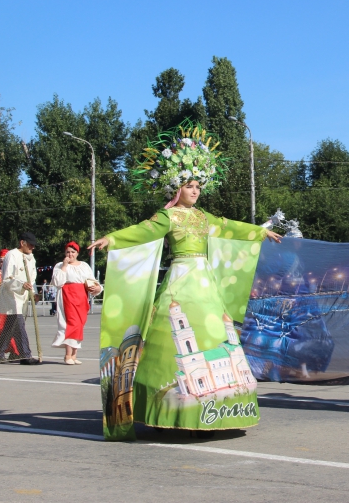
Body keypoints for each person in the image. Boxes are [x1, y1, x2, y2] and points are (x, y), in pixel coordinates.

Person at [88, 120, 282, 441]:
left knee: (214, 334)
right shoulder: (168, 216)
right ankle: (167, 410)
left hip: (205, 285)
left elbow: (229, 226)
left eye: (199, 186)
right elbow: (144, 231)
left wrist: (259, 232)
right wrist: (114, 239)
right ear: (177, 187)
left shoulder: (204, 217)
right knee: (171, 340)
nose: (196, 191)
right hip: (179, 280)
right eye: (190, 185)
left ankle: (212, 411)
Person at [0, 232, 41, 365]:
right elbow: (7, 279)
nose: (32, 248)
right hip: (12, 297)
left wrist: (34, 292)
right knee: (19, 325)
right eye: (30, 245)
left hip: (23, 297)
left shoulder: (31, 258)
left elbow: (32, 278)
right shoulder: (12, 255)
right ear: (22, 243)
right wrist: (21, 285)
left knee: (10, 327)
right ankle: (26, 355)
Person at [51, 241, 102, 364]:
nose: (70, 254)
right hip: (67, 296)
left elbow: (92, 281)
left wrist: (98, 288)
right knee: (71, 324)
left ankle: (74, 355)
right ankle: (68, 355)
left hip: (81, 297)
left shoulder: (84, 265)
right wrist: (64, 266)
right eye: (68, 252)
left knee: (79, 324)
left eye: (73, 252)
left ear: (77, 253)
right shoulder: (59, 265)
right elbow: (57, 282)